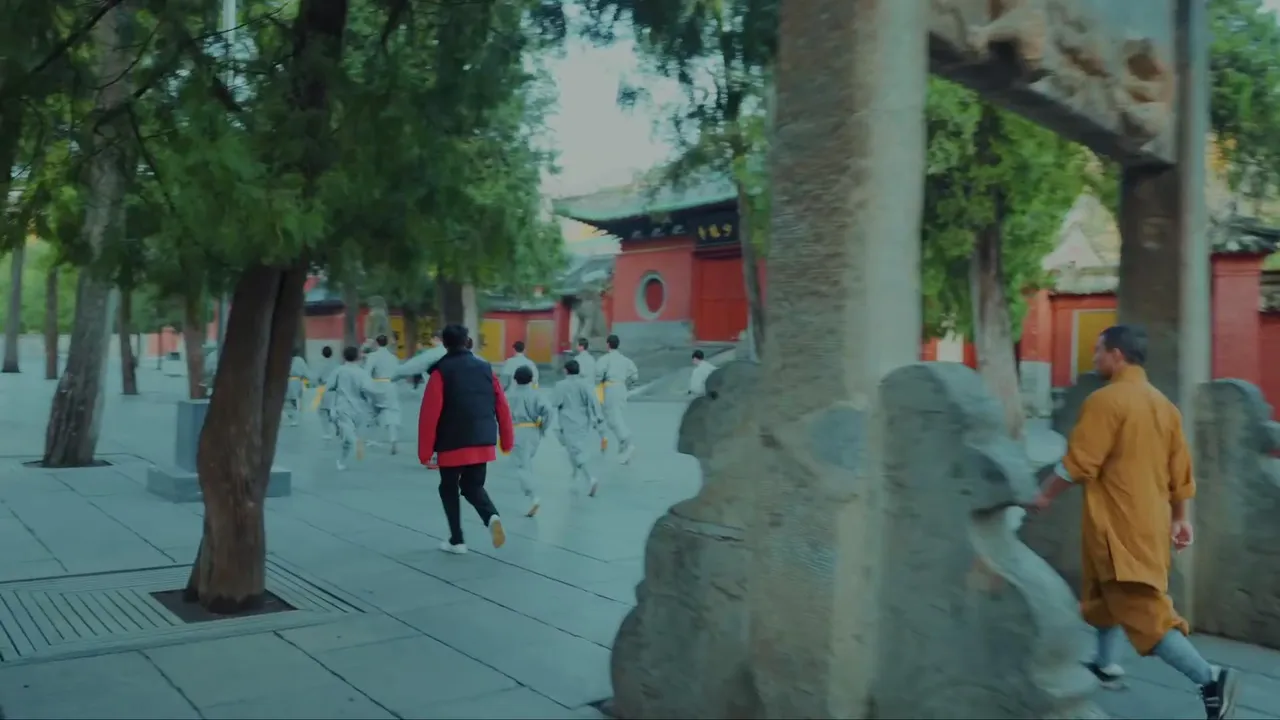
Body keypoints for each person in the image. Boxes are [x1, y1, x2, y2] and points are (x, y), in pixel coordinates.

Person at [1029, 324, 1237, 720]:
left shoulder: (1106, 401)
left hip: (1118, 528)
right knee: (1106, 597)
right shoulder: (1164, 406)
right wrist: (1181, 519)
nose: (1095, 358)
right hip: (1150, 525)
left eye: (1099, 350)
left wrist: (1044, 495)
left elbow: (1079, 463)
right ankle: (1106, 664)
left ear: (1118, 355)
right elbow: (1181, 472)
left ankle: (1210, 678)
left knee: (1144, 613)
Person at [418, 324, 513, 555]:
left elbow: (429, 414)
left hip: (452, 442)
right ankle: (491, 517)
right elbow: (502, 405)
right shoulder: (486, 369)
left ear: (445, 343)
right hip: (482, 440)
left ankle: (457, 540)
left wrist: (425, 452)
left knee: (448, 488)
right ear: (467, 341)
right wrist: (507, 439)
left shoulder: (440, 372)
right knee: (473, 486)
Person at [554, 358, 606, 498]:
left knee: (575, 451)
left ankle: (590, 478)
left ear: (565, 371)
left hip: (567, 422)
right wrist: (598, 416)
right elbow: (594, 402)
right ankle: (575, 474)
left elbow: (555, 402)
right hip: (583, 421)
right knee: (575, 449)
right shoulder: (585, 385)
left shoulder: (560, 385)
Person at [323, 346, 379, 471]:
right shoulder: (362, 373)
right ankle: (341, 462)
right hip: (359, 408)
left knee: (347, 431)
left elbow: (329, 386)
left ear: (344, 356)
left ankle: (356, 442)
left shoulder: (339, 371)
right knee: (347, 436)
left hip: (343, 405)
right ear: (358, 357)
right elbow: (370, 390)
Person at [507, 365, 552, 517]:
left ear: (515, 379)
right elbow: (548, 411)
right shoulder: (536, 394)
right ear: (531, 379)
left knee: (522, 466)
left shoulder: (509, 395)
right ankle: (532, 494)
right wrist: (543, 427)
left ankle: (533, 496)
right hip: (533, 431)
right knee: (527, 462)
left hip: (517, 431)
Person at [595, 334, 639, 464]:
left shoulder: (605, 359)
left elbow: (598, 375)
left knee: (612, 419)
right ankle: (623, 447)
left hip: (610, 388)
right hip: (622, 388)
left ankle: (627, 442)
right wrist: (627, 383)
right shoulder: (626, 360)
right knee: (617, 415)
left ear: (608, 344)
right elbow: (635, 376)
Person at [365, 335, 403, 454]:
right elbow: (398, 373)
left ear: (376, 343)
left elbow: (367, 372)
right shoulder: (393, 357)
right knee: (392, 412)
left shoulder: (373, 356)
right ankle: (393, 439)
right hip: (390, 385)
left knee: (373, 413)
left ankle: (372, 439)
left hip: (377, 385)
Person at [314, 345, 340, 439]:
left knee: (322, 410)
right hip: (335, 388)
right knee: (332, 409)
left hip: (324, 387)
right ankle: (338, 426)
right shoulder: (336, 363)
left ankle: (327, 432)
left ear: (322, 353)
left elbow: (317, 377)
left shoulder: (320, 364)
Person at [284, 350, 313, 427]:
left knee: (291, 400)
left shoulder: (295, 360)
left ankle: (294, 417)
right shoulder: (298, 360)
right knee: (291, 400)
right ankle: (293, 416)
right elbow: (305, 371)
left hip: (291, 381)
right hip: (294, 381)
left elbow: (305, 371)